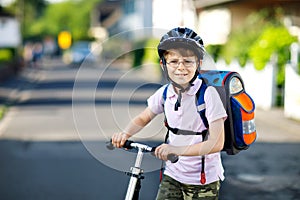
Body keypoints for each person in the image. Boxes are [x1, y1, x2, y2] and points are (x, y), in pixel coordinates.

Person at [111, 27, 227, 200]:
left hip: (202, 180)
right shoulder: (165, 93)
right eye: (173, 61)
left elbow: (216, 143)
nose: (181, 67)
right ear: (163, 65)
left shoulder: (208, 95)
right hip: (172, 175)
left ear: (199, 63)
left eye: (188, 61)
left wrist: (175, 149)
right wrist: (125, 133)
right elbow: (144, 117)